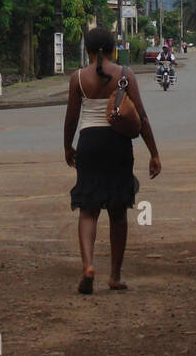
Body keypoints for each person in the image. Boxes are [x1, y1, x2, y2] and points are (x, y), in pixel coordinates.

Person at [64, 26, 161, 295]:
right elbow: (141, 116)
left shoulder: (78, 79)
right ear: (112, 48)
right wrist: (154, 152)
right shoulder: (125, 75)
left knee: (88, 208)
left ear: (88, 49)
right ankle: (115, 275)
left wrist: (67, 148)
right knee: (118, 211)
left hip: (89, 143)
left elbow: (71, 118)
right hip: (117, 143)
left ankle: (88, 266)